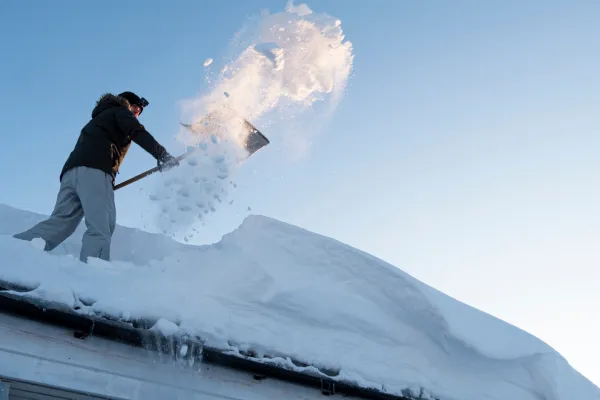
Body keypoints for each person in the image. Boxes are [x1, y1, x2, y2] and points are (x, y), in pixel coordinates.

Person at [13, 91, 179, 262]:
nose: (136, 114)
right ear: (126, 103)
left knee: (60, 224)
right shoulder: (120, 112)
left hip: (72, 173)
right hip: (95, 171)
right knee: (101, 226)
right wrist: (162, 155)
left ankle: (10, 253)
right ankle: (91, 276)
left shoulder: (98, 119)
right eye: (136, 108)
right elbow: (137, 131)